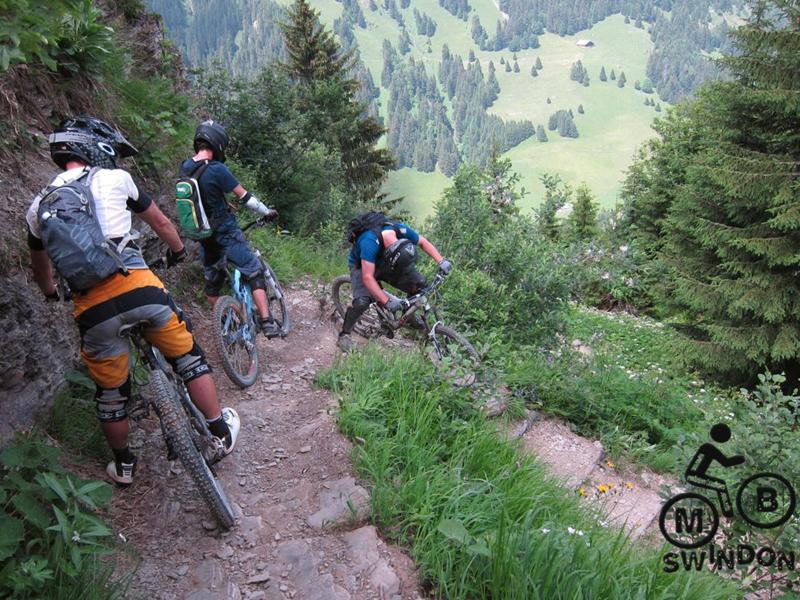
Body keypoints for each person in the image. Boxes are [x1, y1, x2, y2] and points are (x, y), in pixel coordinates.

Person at [26, 116, 240, 486]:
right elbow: (161, 224)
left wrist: (50, 293)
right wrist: (177, 250)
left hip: (93, 310)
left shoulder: (38, 207)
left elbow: (41, 268)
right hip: (138, 288)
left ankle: (124, 465)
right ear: (96, 148)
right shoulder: (116, 178)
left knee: (110, 395)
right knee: (189, 359)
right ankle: (219, 432)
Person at [180, 120, 281, 337]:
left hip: (204, 237)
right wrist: (267, 212)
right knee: (253, 270)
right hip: (226, 233)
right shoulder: (217, 169)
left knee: (212, 288)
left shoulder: (185, 167)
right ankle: (267, 321)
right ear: (218, 144)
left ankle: (230, 322)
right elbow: (245, 198)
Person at [337, 212, 452, 352]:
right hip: (362, 265)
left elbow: (423, 242)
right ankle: (344, 335)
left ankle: (408, 316)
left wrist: (441, 261)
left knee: (419, 284)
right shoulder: (369, 241)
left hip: (388, 263)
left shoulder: (399, 229)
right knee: (362, 301)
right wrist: (387, 301)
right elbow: (367, 277)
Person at [684, 423, 745, 517]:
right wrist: (742, 458)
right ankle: (727, 512)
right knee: (721, 485)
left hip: (694, 475)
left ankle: (727, 512)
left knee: (721, 484)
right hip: (694, 476)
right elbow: (726, 462)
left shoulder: (707, 446)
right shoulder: (709, 448)